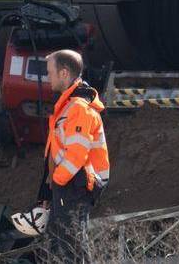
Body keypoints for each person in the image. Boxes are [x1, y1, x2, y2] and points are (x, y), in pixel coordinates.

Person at [37, 49, 108, 262]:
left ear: (64, 73)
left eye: (50, 72)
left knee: (71, 246)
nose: (48, 77)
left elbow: (76, 155)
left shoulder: (78, 108)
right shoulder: (69, 106)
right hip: (70, 184)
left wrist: (57, 180)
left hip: (75, 185)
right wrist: (49, 189)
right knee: (60, 244)